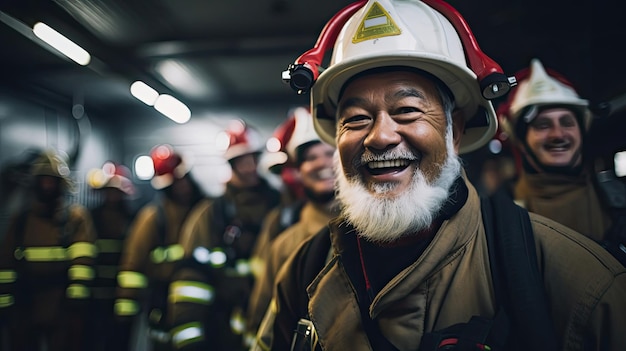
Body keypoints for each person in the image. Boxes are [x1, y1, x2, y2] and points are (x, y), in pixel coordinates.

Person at [257, 0, 626, 350]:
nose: (380, 136)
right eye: (355, 119)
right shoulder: (305, 270)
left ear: (455, 131)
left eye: (407, 110)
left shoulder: (582, 284)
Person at [175, 121, 281, 351]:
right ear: (231, 164)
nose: (251, 167)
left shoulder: (280, 206)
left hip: (270, 319)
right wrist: (189, 341)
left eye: (254, 159)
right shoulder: (212, 214)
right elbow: (191, 280)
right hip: (221, 326)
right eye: (243, 161)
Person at [245, 106, 338, 347]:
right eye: (310, 158)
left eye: (330, 153)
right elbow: (262, 315)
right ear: (297, 171)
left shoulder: (375, 227)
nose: (322, 163)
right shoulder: (284, 240)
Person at [497, 58, 617, 244]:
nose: (557, 134)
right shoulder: (497, 215)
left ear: (582, 131)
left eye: (567, 122)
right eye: (543, 125)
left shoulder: (619, 199)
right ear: (521, 141)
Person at [0, 149, 97, 351]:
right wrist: (6, 305)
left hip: (61, 304)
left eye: (52, 181)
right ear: (35, 184)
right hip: (26, 304)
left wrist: (76, 304)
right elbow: (5, 264)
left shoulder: (75, 219)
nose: (47, 186)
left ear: (61, 185)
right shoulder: (21, 220)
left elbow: (82, 263)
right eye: (43, 180)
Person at [114, 144, 207, 351]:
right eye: (176, 182)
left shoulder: (206, 212)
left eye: (184, 179)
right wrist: (126, 309)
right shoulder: (154, 217)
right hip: (164, 300)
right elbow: (133, 264)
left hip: (201, 303)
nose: (183, 187)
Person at [85, 161, 137, 351]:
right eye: (108, 191)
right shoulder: (90, 218)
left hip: (121, 296)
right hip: (94, 297)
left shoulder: (132, 220)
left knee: (119, 343)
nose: (112, 196)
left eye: (116, 191)